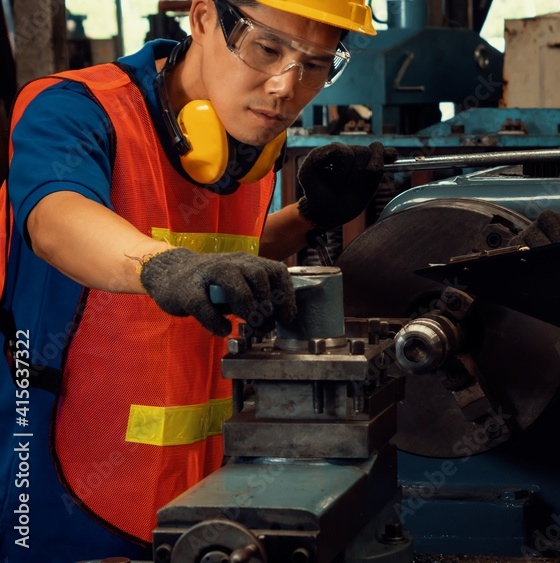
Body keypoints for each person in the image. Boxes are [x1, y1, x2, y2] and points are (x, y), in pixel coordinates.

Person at [0, 0, 395, 559]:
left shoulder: (244, 144)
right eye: (267, 48)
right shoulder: (76, 108)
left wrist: (310, 215)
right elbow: (55, 220)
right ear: (205, 18)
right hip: (56, 468)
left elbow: (224, 262)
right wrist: (162, 266)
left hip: (198, 483)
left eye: (315, 65)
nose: (287, 87)